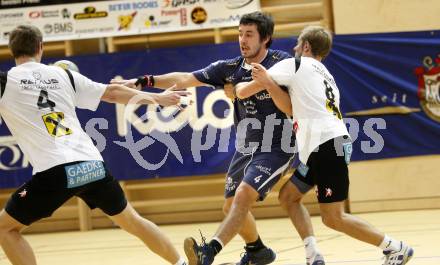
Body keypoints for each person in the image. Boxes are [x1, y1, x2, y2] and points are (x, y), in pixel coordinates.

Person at [113, 11, 323, 265]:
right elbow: (184, 79)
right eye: (239, 34)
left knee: (244, 194)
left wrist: (258, 87)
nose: (242, 40)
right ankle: (258, 250)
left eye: (249, 35)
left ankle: (208, 252)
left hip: (278, 145)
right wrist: (142, 81)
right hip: (246, 147)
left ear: (265, 38)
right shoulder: (230, 68)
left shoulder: (282, 63)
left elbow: (297, 102)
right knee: (231, 206)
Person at [0, 25, 190, 265]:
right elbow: (112, 93)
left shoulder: (5, 82)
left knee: (5, 229)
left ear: (11, 50)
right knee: (132, 220)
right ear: (41, 47)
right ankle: (180, 263)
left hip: (55, 171)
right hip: (91, 165)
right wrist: (159, 98)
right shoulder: (64, 75)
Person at [235, 25, 414, 265]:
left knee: (333, 217)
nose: (294, 48)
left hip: (326, 146)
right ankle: (313, 255)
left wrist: (235, 87)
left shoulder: (295, 65)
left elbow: (246, 91)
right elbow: (290, 108)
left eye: (298, 44)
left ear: (306, 46)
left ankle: (395, 248)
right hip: (323, 148)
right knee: (289, 196)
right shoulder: (326, 75)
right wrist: (269, 84)